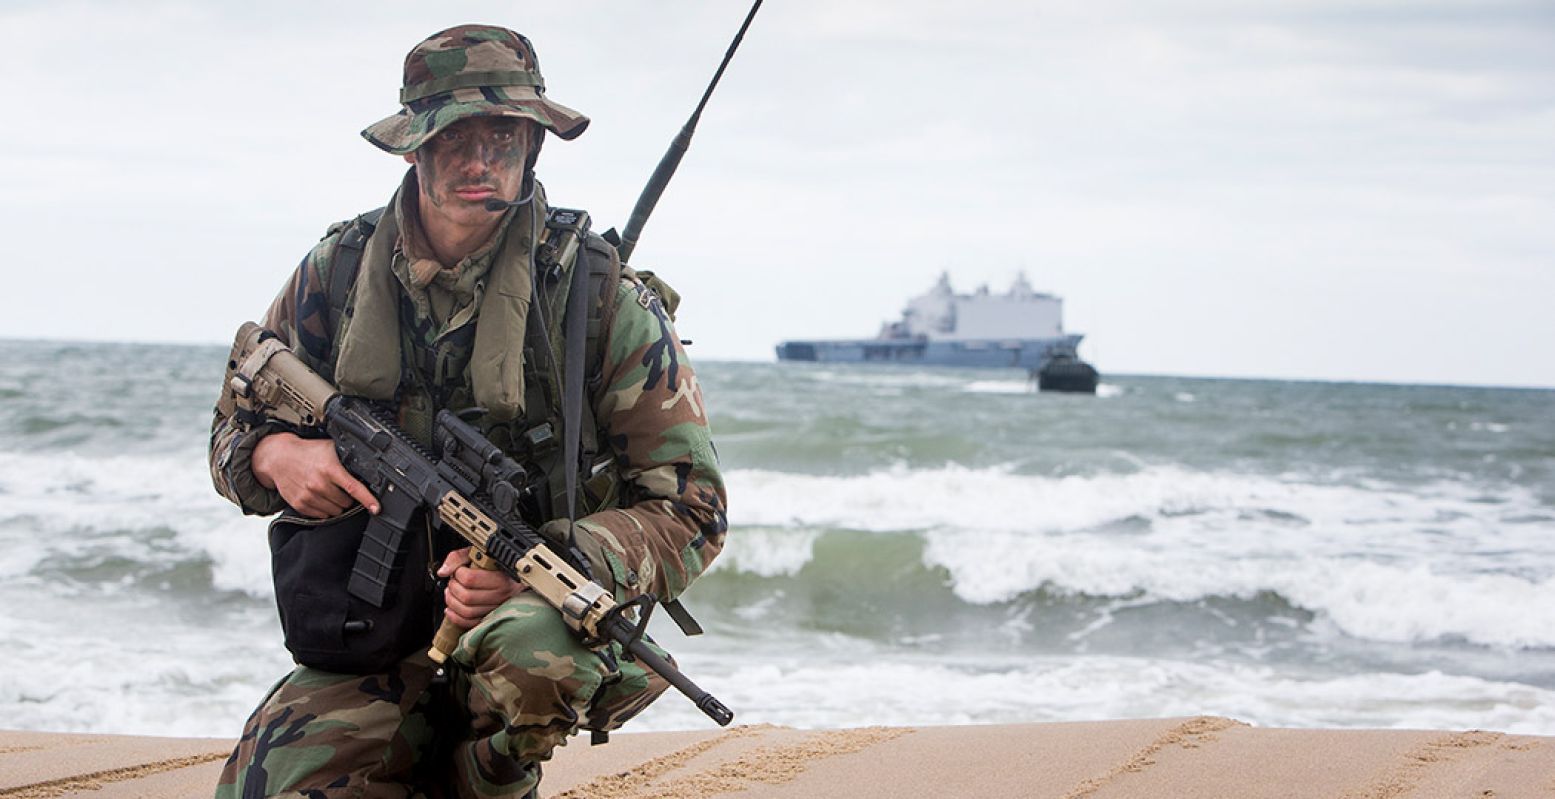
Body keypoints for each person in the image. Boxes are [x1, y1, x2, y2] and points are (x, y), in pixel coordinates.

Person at [208, 24, 728, 799]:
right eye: (457, 138)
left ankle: (493, 771)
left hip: (519, 627)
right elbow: (230, 425)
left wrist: (548, 563)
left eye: (505, 136)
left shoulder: (598, 299)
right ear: (414, 147)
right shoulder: (337, 273)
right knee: (267, 789)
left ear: (533, 145)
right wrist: (271, 457)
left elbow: (693, 507)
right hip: (372, 630)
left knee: (533, 656)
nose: (483, 161)